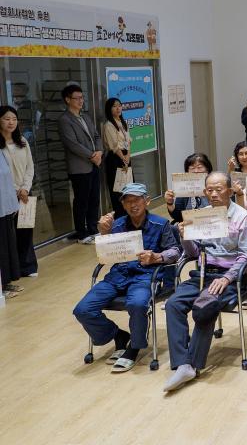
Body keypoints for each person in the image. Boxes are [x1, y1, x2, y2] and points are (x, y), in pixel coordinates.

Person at [72, 183, 181, 372]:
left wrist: (156, 257)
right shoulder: (117, 225)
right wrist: (104, 233)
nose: (133, 204)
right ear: (123, 204)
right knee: (83, 309)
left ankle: (134, 347)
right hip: (118, 275)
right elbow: (105, 255)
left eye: (137, 200)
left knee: (137, 304)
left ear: (147, 201)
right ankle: (118, 335)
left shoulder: (160, 224)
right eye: (128, 201)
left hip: (146, 276)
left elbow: (175, 251)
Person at [164, 172, 247, 392]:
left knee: (206, 306)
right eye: (210, 190)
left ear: (230, 191)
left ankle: (191, 365)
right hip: (202, 274)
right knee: (173, 304)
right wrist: (184, 236)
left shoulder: (242, 216)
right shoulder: (201, 215)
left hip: (230, 277)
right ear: (204, 192)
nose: (213, 194)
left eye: (219, 189)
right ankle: (182, 363)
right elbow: (193, 253)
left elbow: (246, 255)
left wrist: (227, 277)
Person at [58, 84, 103, 244]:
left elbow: (96, 136)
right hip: (79, 168)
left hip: (94, 164)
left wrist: (99, 152)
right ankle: (81, 234)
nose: (80, 101)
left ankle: (93, 229)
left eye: (82, 97)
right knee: (81, 201)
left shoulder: (85, 116)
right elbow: (72, 144)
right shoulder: (65, 120)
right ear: (67, 100)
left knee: (94, 199)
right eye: (76, 98)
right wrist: (92, 155)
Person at [1, 106, 37, 279]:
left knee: (26, 230)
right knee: (9, 234)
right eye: (7, 119)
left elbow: (30, 166)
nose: (11, 122)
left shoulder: (22, 141)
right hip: (6, 194)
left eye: (14, 119)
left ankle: (28, 266)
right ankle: (13, 268)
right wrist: (16, 190)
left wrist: (25, 188)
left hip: (25, 192)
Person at [101, 98, 132, 218]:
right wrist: (124, 158)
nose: (118, 108)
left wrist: (128, 157)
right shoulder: (108, 125)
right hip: (115, 158)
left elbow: (128, 142)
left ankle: (129, 214)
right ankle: (120, 217)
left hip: (126, 157)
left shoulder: (123, 122)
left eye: (119, 105)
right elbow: (114, 146)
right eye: (114, 106)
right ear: (109, 109)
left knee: (129, 187)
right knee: (118, 190)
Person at [165, 153, 212, 223]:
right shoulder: (184, 188)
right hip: (191, 225)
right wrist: (170, 203)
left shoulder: (216, 184)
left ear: (208, 169)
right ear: (187, 172)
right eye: (192, 168)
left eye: (199, 167)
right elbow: (178, 217)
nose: (196, 171)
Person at [0, 147, 22, 298]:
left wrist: (12, 203)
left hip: (5, 206)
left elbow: (7, 178)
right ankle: (1, 287)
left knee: (8, 245)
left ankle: (6, 282)